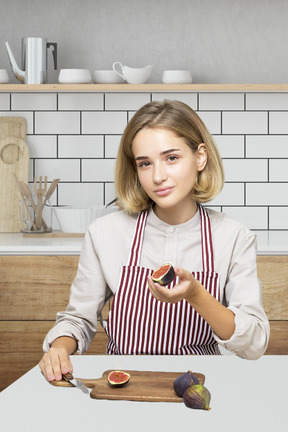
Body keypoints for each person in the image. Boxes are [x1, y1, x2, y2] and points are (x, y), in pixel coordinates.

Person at [39, 100, 270, 382]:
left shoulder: (233, 237)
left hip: (197, 389)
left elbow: (255, 344)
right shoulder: (105, 233)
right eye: (145, 163)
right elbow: (78, 320)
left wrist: (196, 294)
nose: (158, 176)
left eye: (171, 158)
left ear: (200, 157)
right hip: (124, 390)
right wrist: (59, 349)